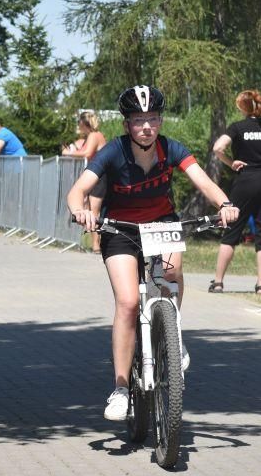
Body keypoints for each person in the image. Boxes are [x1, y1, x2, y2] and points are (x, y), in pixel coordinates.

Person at [66, 85, 239, 421]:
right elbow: (78, 191)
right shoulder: (113, 151)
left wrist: (225, 204)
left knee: (171, 272)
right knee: (128, 302)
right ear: (126, 124)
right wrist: (81, 211)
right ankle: (120, 388)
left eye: (153, 119)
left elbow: (203, 181)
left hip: (161, 223)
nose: (146, 126)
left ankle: (172, 334)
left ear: (160, 121)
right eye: (138, 120)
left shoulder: (171, 148)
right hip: (120, 229)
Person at [210, 89, 261, 295]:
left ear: (242, 107)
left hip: (246, 180)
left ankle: (218, 282)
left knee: (232, 230)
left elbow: (218, 148)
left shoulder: (237, 128)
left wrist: (231, 162)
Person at [62, 110, 109, 252]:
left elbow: (87, 153)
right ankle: (96, 243)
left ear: (84, 123)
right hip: (96, 176)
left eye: (79, 123)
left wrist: (68, 153)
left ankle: (97, 244)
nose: (78, 126)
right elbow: (83, 148)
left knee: (94, 211)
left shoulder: (94, 135)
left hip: (100, 177)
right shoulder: (92, 136)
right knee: (90, 209)